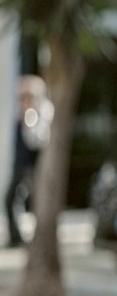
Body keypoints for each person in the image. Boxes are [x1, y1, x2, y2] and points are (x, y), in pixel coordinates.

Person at [6, 75, 52, 247]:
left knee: (31, 201)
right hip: (20, 166)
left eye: (25, 96)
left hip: (31, 167)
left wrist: (28, 118)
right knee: (12, 200)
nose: (22, 100)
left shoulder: (40, 112)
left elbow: (36, 140)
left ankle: (32, 238)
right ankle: (16, 237)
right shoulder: (25, 112)